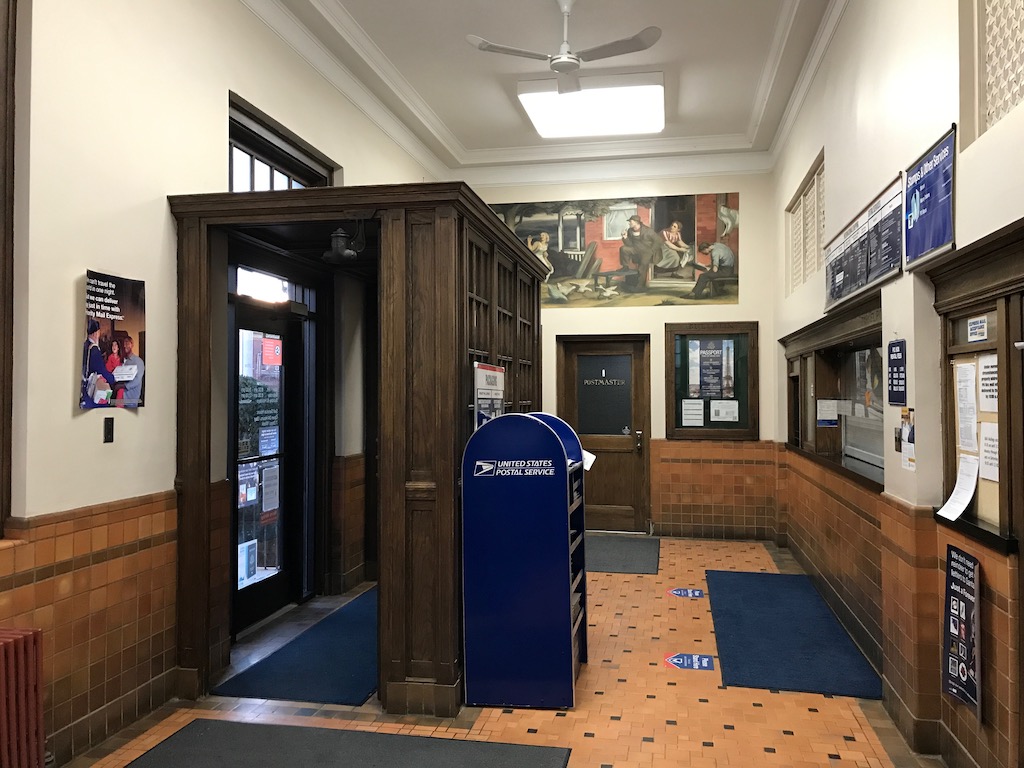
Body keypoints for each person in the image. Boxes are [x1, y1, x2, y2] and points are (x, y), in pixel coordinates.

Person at [81, 318, 117, 408]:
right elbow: (101, 371)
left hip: (84, 387)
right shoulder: (94, 349)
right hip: (93, 390)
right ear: (95, 333)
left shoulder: (85, 345)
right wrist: (112, 378)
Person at [618, 214, 661, 289]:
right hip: (636, 249)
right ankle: (625, 267)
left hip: (646, 251)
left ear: (636, 222)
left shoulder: (648, 231)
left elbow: (659, 241)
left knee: (642, 267)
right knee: (623, 249)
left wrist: (652, 250)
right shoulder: (630, 231)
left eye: (630, 222)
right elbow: (630, 244)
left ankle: (640, 286)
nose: (629, 223)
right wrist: (625, 238)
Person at [120, 334, 146, 408]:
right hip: (123, 398)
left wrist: (123, 386)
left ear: (132, 344)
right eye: (124, 344)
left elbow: (137, 380)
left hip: (132, 399)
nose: (125, 346)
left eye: (127, 343)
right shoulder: (125, 362)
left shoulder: (138, 361)